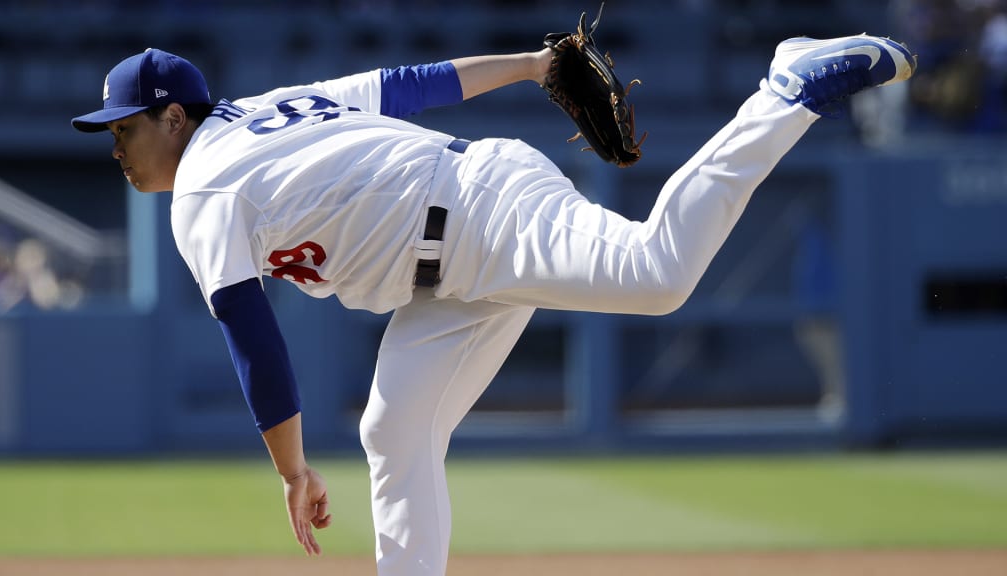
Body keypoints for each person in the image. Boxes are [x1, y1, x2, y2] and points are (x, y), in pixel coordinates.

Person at [71, 31, 915, 575]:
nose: (115, 145)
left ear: (173, 118)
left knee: (658, 274)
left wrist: (292, 473)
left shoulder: (204, 191)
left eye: (123, 128)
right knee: (393, 431)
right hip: (451, 270)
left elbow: (253, 339)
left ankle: (787, 88)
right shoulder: (267, 113)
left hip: (485, 216)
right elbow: (408, 85)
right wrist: (529, 65)